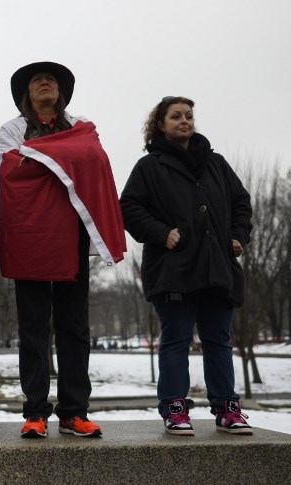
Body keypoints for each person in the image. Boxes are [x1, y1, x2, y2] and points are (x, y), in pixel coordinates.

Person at [0, 62, 126, 438]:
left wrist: (42, 158)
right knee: (33, 328)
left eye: (50, 79)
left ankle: (74, 412)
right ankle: (35, 411)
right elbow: (13, 174)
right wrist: (63, 161)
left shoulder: (81, 126)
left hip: (72, 239)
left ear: (61, 91)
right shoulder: (11, 129)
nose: (44, 83)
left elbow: (95, 164)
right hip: (29, 237)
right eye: (37, 80)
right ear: (27, 93)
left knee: (74, 327)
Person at [120, 96, 253, 436]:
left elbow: (241, 203)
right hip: (173, 271)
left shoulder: (216, 163)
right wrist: (161, 234)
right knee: (176, 339)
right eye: (176, 116)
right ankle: (175, 409)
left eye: (189, 116)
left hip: (218, 269)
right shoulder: (149, 167)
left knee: (218, 341)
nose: (184, 121)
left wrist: (238, 236)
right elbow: (129, 208)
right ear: (160, 124)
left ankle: (227, 408)